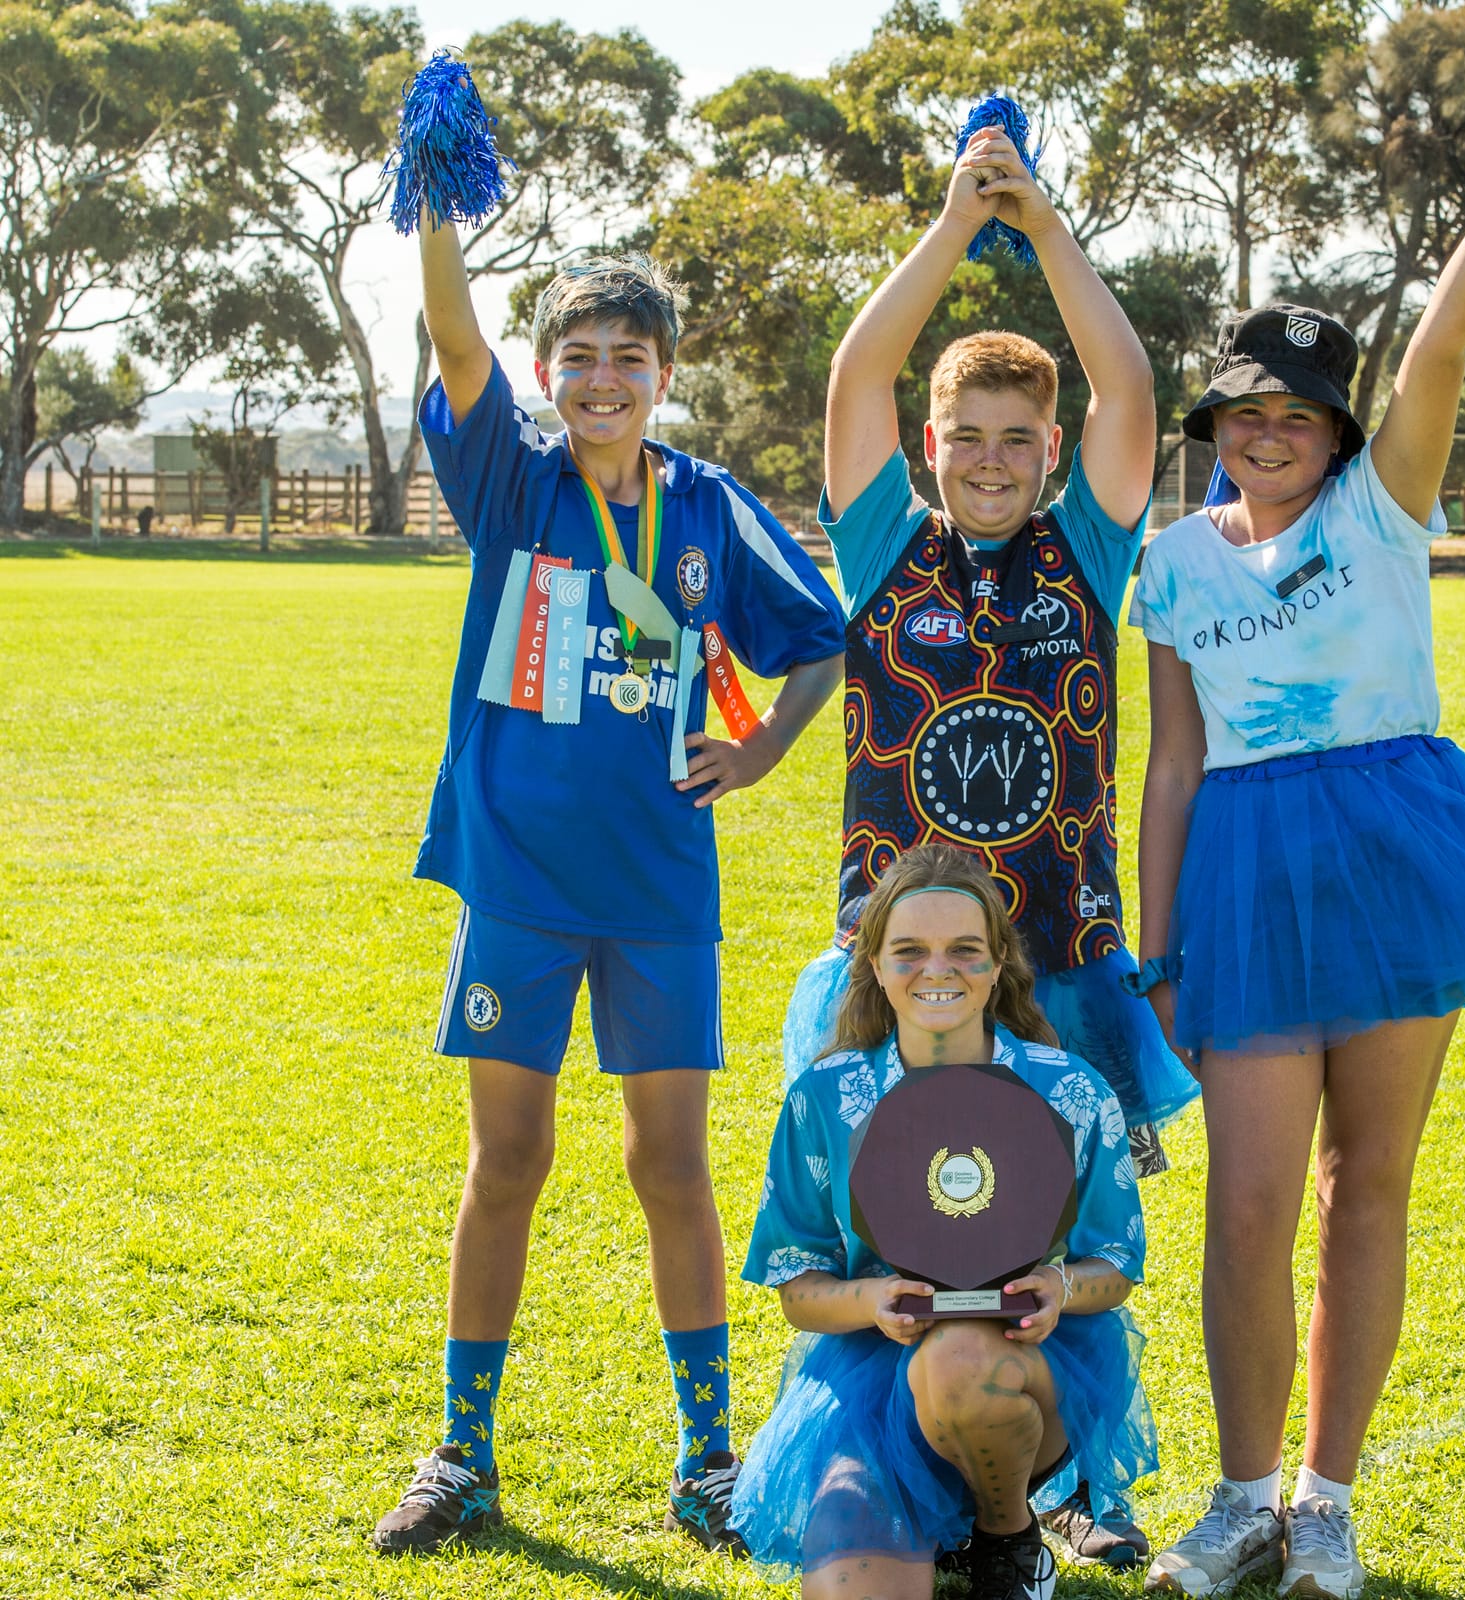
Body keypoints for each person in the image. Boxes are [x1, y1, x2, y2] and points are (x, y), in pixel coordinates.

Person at [1130, 72, 1465, 1600]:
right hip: (1247, 878)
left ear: (1340, 429)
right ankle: (1236, 1499)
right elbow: (1173, 761)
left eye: (1300, 412)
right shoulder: (1168, 563)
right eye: (1246, 410)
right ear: (1215, 422)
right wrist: (1157, 946)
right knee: (1251, 1198)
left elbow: (1445, 338)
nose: (1271, 431)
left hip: (1403, 853)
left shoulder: (1383, 505)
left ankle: (1326, 1503)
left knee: (1368, 1188)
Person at [367, 227, 847, 1556]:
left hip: (657, 892)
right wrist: (439, 216)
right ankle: (462, 1455)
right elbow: (455, 345)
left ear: (664, 375)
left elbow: (819, 641)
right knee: (507, 1160)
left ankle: (707, 1461)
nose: (601, 379)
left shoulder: (702, 505)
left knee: (669, 1165)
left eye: (627, 359)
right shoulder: (510, 482)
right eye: (576, 357)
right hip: (515, 882)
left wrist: (756, 751)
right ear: (545, 372)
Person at [780, 117, 1195, 1565]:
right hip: (899, 958)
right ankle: (898, 1469)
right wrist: (957, 228)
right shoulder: (885, 547)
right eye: (970, 438)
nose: (995, 462)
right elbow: (855, 375)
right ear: (931, 447)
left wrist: (1049, 226)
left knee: (1062, 1240)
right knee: (879, 1221)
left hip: (1060, 952)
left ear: (1053, 450)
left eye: (1024, 439)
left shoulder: (1090, 547)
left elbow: (1131, 384)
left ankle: (1084, 1487)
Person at [733, 843, 1156, 1600]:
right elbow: (796, 1282)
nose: (938, 971)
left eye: (965, 950)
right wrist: (871, 1302)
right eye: (910, 951)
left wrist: (1060, 1287)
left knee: (958, 1359)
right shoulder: (825, 1098)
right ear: (874, 966)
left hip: (1025, 1378)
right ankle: (931, 1527)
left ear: (999, 966)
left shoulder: (1067, 1090)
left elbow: (1116, 1264)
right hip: (870, 1390)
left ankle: (1006, 1535)